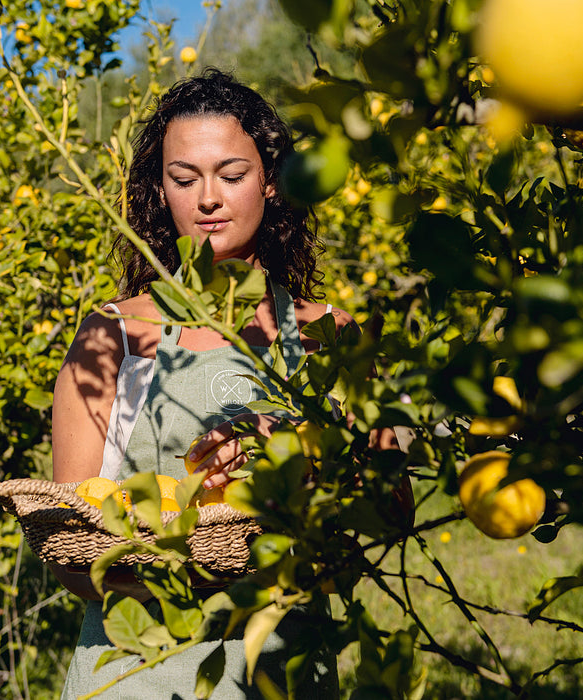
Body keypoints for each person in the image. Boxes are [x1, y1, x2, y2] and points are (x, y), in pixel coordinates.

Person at [50, 69, 351, 699]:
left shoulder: (331, 334)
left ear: (272, 182)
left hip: (283, 672)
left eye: (232, 176)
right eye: (184, 179)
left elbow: (386, 515)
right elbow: (74, 556)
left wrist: (289, 481)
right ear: (161, 192)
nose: (207, 198)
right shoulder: (114, 336)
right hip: (135, 676)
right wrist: (194, 518)